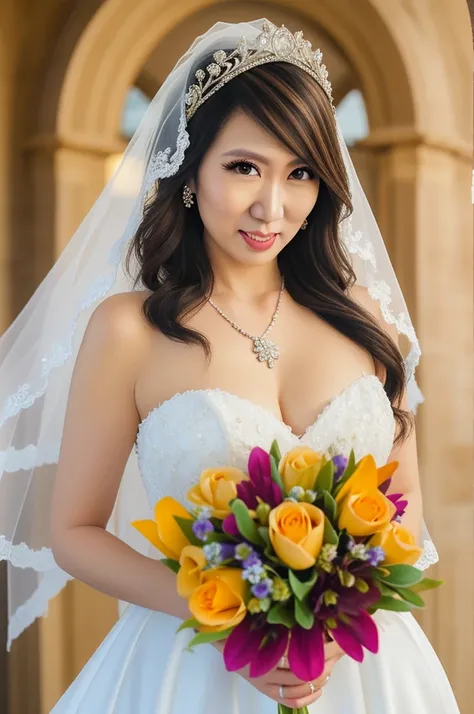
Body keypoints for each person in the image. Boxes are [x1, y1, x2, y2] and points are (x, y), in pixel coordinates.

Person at [0, 18, 459, 713]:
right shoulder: (129, 329)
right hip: (190, 670)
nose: (272, 207)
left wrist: (342, 619)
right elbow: (75, 532)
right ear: (191, 172)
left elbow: (404, 506)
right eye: (244, 167)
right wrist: (232, 616)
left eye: (300, 173)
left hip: (364, 669)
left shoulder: (364, 316)